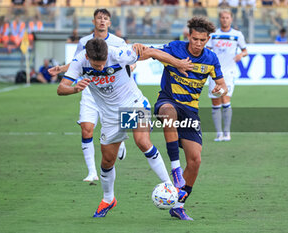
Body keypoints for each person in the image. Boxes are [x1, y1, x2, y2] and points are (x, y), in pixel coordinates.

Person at [57, 38, 194, 218]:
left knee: (143, 142)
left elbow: (151, 52)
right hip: (110, 116)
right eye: (96, 66)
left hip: (133, 104)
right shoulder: (79, 61)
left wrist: (178, 64)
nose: (100, 68)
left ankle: (171, 186)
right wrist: (75, 89)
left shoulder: (120, 54)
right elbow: (61, 88)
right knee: (107, 162)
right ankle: (108, 199)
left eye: (103, 64)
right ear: (88, 57)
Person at [152, 16, 227, 220]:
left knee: (195, 160)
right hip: (168, 100)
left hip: (191, 111)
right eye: (195, 39)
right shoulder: (175, 47)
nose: (198, 44)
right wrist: (173, 62)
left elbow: (222, 83)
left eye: (202, 40)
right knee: (169, 113)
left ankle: (178, 205)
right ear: (189, 36)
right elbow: (149, 52)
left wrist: (220, 89)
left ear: (208, 39)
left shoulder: (211, 59)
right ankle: (175, 168)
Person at [48, 9, 128, 182]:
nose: (102, 21)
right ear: (93, 21)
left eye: (105, 18)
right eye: (99, 18)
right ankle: (92, 172)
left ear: (109, 23)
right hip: (90, 90)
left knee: (118, 126)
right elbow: (79, 60)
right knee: (86, 129)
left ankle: (120, 141)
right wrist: (62, 69)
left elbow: (128, 61)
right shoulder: (84, 42)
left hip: (112, 91)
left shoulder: (118, 42)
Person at [205, 9, 247, 142]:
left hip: (229, 72)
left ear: (231, 19)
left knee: (225, 99)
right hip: (214, 73)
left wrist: (241, 54)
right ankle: (219, 134)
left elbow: (245, 50)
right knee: (215, 101)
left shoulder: (237, 35)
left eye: (227, 17)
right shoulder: (213, 35)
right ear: (219, 19)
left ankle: (227, 132)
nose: (225, 19)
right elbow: (208, 50)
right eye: (222, 17)